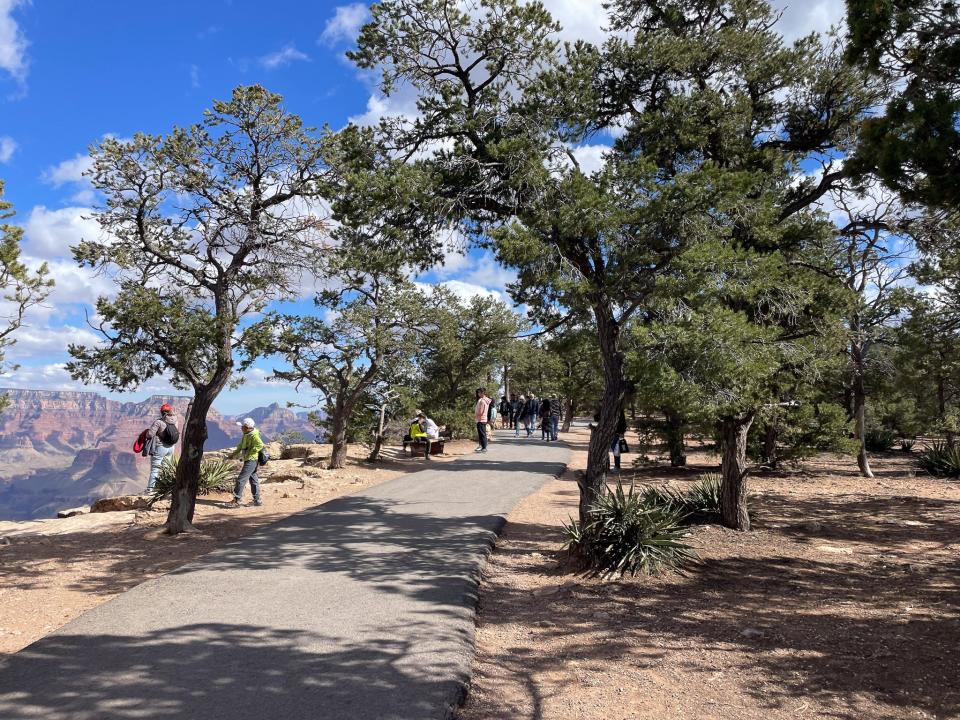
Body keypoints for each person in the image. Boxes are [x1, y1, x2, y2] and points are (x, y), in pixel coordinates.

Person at [228, 417, 264, 507]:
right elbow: (240, 446)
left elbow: (260, 445)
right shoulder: (246, 434)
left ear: (247, 427)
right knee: (253, 479)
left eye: (242, 426)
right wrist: (233, 454)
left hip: (251, 459)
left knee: (241, 479)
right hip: (249, 459)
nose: (241, 428)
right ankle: (257, 501)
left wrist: (250, 452)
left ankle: (236, 500)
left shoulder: (254, 435)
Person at [145, 403, 179, 493]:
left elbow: (150, 435)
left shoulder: (159, 422)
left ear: (161, 412)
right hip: (171, 447)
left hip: (160, 447)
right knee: (166, 468)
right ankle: (166, 489)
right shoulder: (176, 420)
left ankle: (150, 490)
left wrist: (146, 433)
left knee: (155, 469)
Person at [474, 388, 491, 453]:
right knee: (481, 433)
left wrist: (476, 415)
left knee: (482, 434)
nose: (478, 394)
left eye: (479, 393)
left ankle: (484, 447)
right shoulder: (485, 400)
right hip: (483, 419)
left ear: (482, 393)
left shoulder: (482, 401)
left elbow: (481, 411)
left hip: (480, 419)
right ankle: (482, 446)